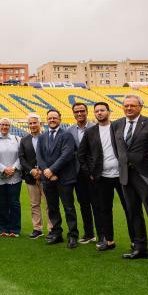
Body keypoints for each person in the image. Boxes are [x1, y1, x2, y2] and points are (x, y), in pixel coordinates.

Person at [112, 94, 148, 267]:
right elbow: (118, 150)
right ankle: (140, 248)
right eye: (126, 105)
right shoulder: (116, 124)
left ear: (140, 107)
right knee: (133, 213)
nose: (129, 108)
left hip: (146, 177)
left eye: (132, 106)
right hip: (126, 177)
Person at [77, 102, 128, 252]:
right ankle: (109, 241)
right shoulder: (91, 132)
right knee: (104, 209)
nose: (99, 113)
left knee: (129, 208)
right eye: (97, 111)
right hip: (102, 177)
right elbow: (81, 154)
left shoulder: (119, 127)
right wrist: (90, 173)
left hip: (121, 175)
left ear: (109, 111)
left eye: (102, 110)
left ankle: (136, 242)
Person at [37, 108, 79, 248]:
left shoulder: (66, 135)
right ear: (46, 120)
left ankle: (73, 235)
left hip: (64, 178)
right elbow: (39, 157)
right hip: (48, 179)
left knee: (69, 208)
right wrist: (47, 172)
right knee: (53, 207)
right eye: (50, 118)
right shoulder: (42, 137)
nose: (52, 120)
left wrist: (52, 170)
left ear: (60, 119)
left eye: (55, 118)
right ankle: (56, 233)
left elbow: (66, 155)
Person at [66, 102, 97, 243]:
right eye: (76, 111)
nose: (79, 114)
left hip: (94, 172)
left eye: (82, 111)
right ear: (73, 113)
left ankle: (102, 234)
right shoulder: (69, 130)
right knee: (84, 204)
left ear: (87, 112)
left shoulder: (95, 128)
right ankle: (89, 233)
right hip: (77, 173)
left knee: (98, 204)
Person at [18, 113, 49, 239]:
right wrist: (31, 170)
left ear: (40, 124)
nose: (32, 125)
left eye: (34, 123)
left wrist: (43, 170)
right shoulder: (24, 140)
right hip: (31, 177)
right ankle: (37, 228)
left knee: (49, 203)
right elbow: (22, 158)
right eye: (30, 123)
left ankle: (52, 228)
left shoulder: (47, 138)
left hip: (46, 176)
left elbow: (52, 155)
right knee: (34, 204)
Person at [0, 118, 22, 237]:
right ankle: (3, 228)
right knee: (2, 203)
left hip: (15, 177)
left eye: (7, 125)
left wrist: (13, 168)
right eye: (2, 125)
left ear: (10, 126)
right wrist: (3, 168)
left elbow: (21, 155)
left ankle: (15, 229)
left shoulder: (17, 139)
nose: (4, 127)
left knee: (14, 203)